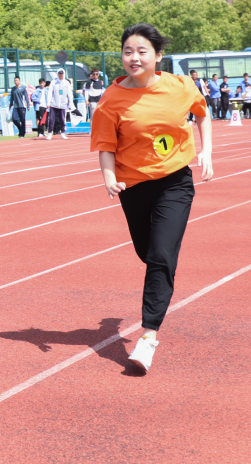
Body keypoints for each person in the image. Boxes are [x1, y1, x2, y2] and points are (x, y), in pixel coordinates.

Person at [90, 23, 212, 373]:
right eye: (128, 51)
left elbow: (202, 115)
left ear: (158, 56)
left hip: (175, 182)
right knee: (149, 252)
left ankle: (148, 336)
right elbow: (104, 146)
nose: (134, 57)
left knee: (160, 255)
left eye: (142, 51)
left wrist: (207, 153)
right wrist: (109, 177)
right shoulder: (111, 99)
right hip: (134, 187)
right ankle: (162, 269)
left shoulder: (179, 86)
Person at [46, 70, 73, 140]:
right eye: (59, 74)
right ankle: (49, 133)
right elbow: (49, 93)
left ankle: (63, 133)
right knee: (51, 119)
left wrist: (70, 104)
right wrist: (48, 103)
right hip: (54, 104)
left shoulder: (66, 83)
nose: (60, 76)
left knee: (62, 119)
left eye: (62, 74)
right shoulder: (53, 82)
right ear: (57, 74)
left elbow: (70, 94)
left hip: (63, 104)